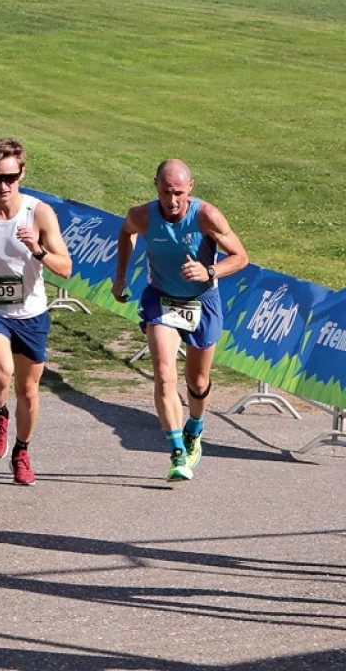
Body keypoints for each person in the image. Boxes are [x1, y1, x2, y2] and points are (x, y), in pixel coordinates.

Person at [112, 158, 248, 481]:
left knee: (197, 383)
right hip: (161, 301)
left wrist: (209, 271)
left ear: (191, 188)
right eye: (165, 192)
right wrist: (120, 277)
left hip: (203, 302)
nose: (172, 201)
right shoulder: (142, 215)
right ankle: (176, 453)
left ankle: (195, 428)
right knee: (162, 373)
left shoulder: (206, 216)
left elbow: (241, 256)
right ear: (156, 186)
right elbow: (126, 233)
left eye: (179, 193)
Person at [0, 137, 72, 487]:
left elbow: (65, 267)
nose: (4, 185)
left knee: (28, 389)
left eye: (10, 177)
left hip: (30, 313)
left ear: (22, 173)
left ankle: (21, 451)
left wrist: (37, 250)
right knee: (2, 371)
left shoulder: (37, 213)